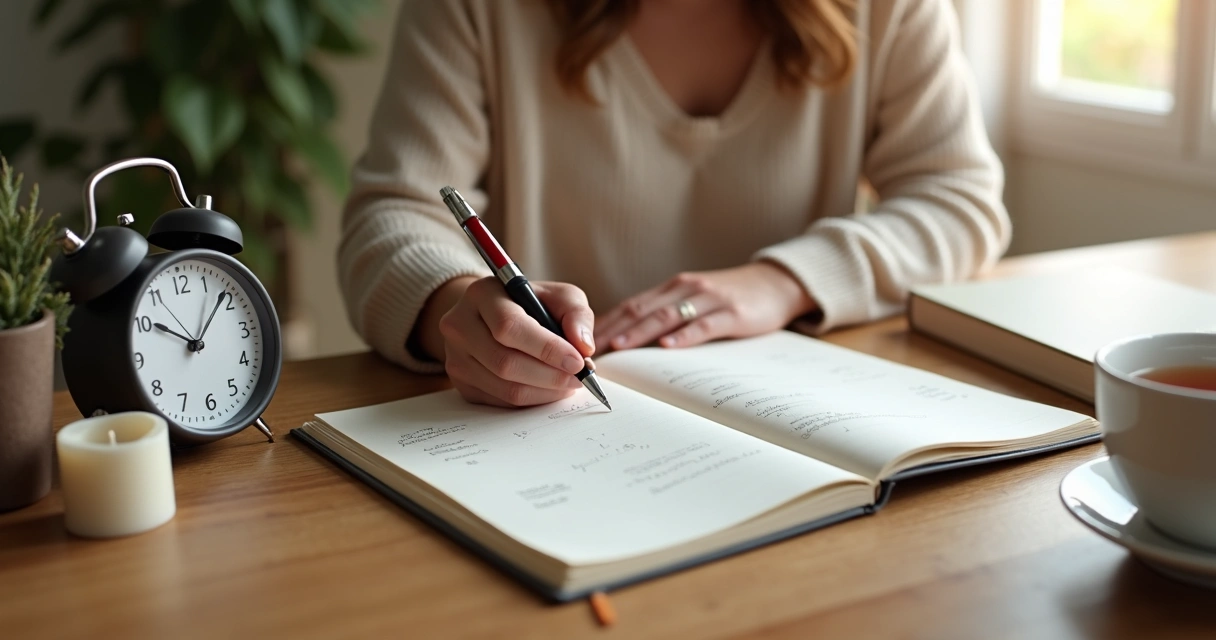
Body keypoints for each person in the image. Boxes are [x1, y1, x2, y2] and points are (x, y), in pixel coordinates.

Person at [339, 0, 1009, 408]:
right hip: (540, 430)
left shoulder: (890, 9)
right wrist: (455, 308)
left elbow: (959, 201)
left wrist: (785, 281)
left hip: (800, 410)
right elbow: (392, 216)